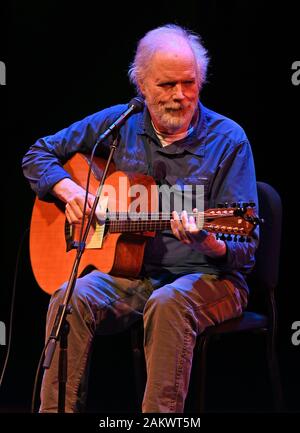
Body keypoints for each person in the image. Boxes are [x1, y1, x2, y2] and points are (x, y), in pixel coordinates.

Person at [22, 24, 259, 413]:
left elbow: (245, 250)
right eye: (167, 85)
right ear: (142, 86)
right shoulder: (119, 125)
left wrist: (208, 241)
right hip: (134, 275)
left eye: (189, 83)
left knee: (168, 303)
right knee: (70, 297)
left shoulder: (229, 140)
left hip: (211, 279)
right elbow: (37, 155)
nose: (180, 96)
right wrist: (70, 192)